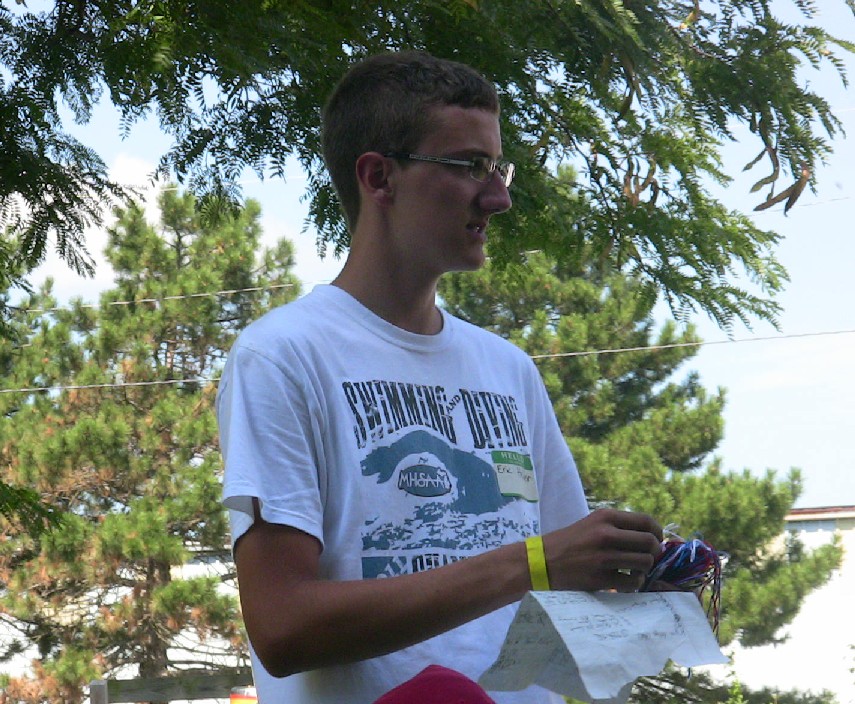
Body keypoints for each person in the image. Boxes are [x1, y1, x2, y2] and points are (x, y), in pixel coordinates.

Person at [217, 50, 663, 704]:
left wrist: (640, 570)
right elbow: (283, 627)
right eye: (469, 166)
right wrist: (532, 563)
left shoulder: (507, 368)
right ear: (379, 178)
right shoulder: (283, 356)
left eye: (499, 168)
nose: (498, 197)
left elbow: (567, 584)